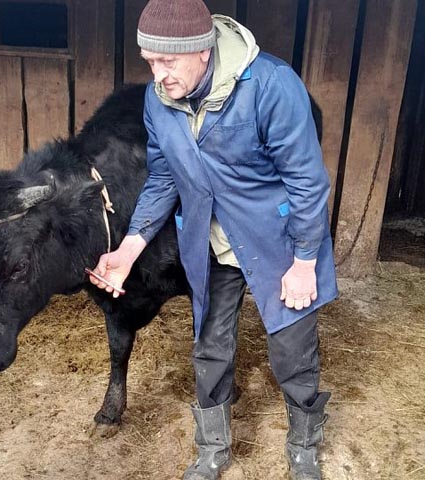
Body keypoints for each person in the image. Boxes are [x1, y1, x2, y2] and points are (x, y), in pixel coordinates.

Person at [89, 1, 338, 478]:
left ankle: (304, 447)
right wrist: (129, 248)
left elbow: (307, 181)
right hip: (214, 242)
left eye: (167, 62)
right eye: (149, 62)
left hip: (278, 243)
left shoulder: (270, 85)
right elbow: (163, 178)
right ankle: (212, 449)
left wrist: (305, 260)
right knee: (210, 346)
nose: (157, 75)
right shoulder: (158, 100)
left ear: (202, 50)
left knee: (291, 353)